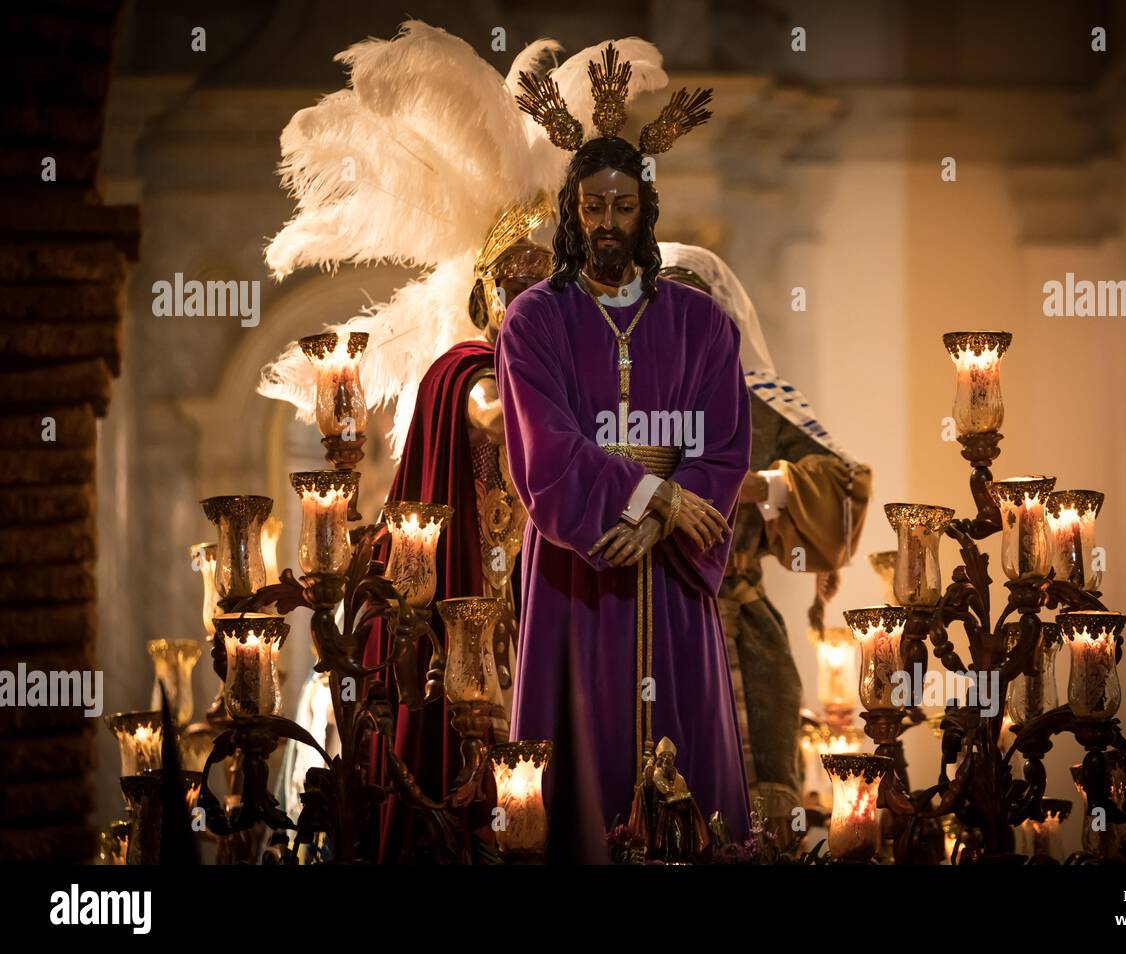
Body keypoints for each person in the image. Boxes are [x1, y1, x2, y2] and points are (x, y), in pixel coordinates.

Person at [258, 25, 667, 860]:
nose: (526, 304)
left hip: (561, 595)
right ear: (485, 300)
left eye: (540, 286)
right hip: (472, 613)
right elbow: (501, 415)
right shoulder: (469, 375)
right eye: (510, 289)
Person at [498, 44, 751, 838]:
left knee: (685, 797)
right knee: (578, 778)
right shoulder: (535, 318)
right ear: (572, 211)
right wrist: (651, 495)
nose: (608, 224)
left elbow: (724, 443)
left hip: (670, 572)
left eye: (624, 207)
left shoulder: (702, 323)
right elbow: (547, 443)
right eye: (593, 207)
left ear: (647, 212)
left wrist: (671, 511)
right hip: (579, 568)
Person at [658, 244, 872, 843]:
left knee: (752, 818)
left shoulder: (759, 399)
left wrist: (765, 486)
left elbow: (845, 488)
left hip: (740, 625)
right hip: (645, 620)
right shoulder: (625, 399)